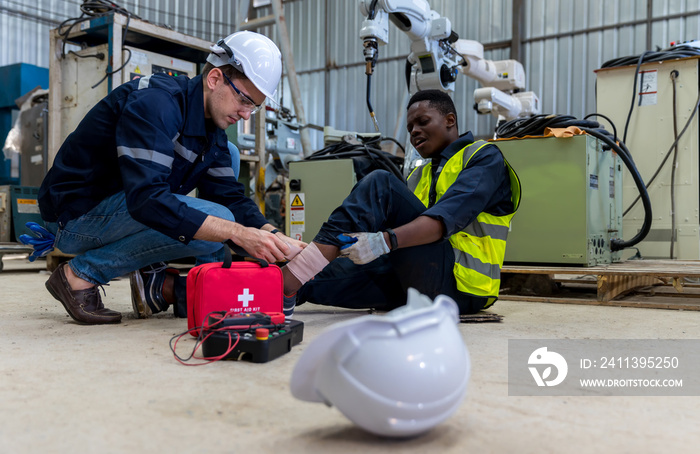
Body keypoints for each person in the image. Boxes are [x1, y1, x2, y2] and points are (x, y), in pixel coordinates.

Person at [39, 31, 305, 325]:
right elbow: (147, 200)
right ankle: (79, 275)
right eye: (244, 100)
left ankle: (196, 293)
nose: (245, 115)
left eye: (253, 106)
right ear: (215, 78)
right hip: (76, 215)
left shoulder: (211, 130)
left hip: (120, 206)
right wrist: (238, 233)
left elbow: (229, 196)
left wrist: (274, 237)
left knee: (226, 169)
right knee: (219, 225)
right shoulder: (157, 104)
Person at [280, 89, 521, 316]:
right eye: (410, 127)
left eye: (422, 121)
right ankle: (278, 290)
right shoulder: (419, 174)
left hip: (463, 287)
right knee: (317, 279)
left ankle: (295, 272)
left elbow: (442, 221)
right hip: (419, 279)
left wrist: (384, 241)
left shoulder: (482, 157)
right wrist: (357, 245)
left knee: (380, 183)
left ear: (450, 120)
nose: (414, 131)